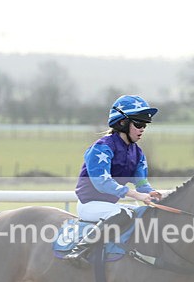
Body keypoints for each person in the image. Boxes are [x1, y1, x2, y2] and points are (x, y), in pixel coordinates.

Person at [65, 95, 163, 263]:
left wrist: (152, 193)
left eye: (144, 125)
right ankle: (79, 250)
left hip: (109, 206)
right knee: (123, 213)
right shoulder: (101, 147)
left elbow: (141, 184)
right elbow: (102, 183)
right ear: (122, 123)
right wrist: (133, 194)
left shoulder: (137, 152)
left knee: (142, 212)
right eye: (138, 124)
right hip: (89, 204)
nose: (142, 129)